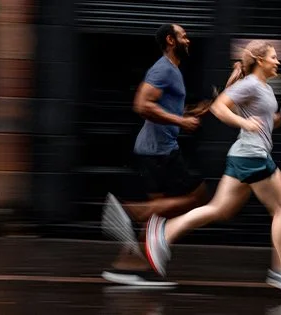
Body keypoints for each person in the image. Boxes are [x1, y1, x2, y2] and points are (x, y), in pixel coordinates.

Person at [143, 40, 281, 292]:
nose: (278, 61)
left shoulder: (263, 87)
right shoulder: (250, 84)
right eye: (273, 57)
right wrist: (244, 123)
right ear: (260, 60)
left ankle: (164, 233)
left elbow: (264, 124)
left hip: (243, 155)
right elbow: (219, 107)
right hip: (253, 156)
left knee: (219, 209)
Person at [101, 23, 210, 286]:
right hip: (158, 152)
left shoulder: (173, 70)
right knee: (197, 197)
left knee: (158, 216)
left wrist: (191, 112)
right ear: (171, 40)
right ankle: (128, 213)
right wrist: (181, 121)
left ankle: (130, 267)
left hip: (157, 150)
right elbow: (142, 104)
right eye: (183, 36)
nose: (188, 40)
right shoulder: (163, 69)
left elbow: (164, 109)